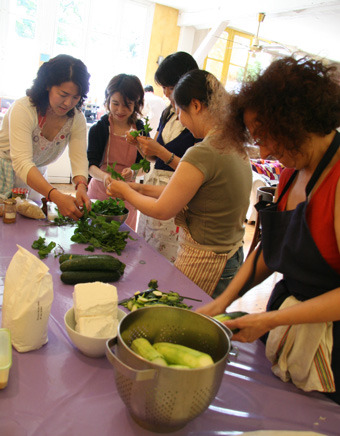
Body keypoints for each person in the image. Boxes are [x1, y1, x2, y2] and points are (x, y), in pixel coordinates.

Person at [197, 57, 340, 404]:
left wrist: (273, 318)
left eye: (267, 136)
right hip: (288, 320)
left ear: (296, 121)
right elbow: (271, 249)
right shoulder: (292, 173)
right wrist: (222, 302)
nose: (264, 151)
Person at [107, 69, 252, 296]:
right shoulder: (232, 142)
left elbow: (162, 209)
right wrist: (140, 188)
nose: (180, 119)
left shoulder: (204, 151)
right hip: (230, 256)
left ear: (195, 106)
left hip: (207, 260)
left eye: (179, 111)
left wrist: (125, 191)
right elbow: (191, 193)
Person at [0, 54, 91, 219]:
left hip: (35, 178)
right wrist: (56, 196)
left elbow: (79, 159)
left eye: (75, 97)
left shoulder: (76, 118)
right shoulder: (24, 109)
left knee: (29, 226)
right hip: (4, 171)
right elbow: (21, 162)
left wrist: (81, 187)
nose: (68, 103)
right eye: (63, 94)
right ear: (48, 85)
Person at [130, 51, 199, 262]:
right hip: (154, 187)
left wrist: (160, 151)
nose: (167, 93)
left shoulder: (198, 119)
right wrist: (143, 147)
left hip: (175, 192)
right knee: (147, 251)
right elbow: (155, 159)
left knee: (168, 258)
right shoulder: (168, 112)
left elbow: (196, 169)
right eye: (164, 88)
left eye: (170, 87)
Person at [87, 74, 146, 230]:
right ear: (107, 100)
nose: (120, 110)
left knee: (123, 239)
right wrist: (105, 177)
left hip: (128, 194)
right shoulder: (98, 129)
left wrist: (133, 173)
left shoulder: (140, 130)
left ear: (136, 104)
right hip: (99, 192)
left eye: (127, 105)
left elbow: (145, 166)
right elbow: (91, 167)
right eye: (115, 103)